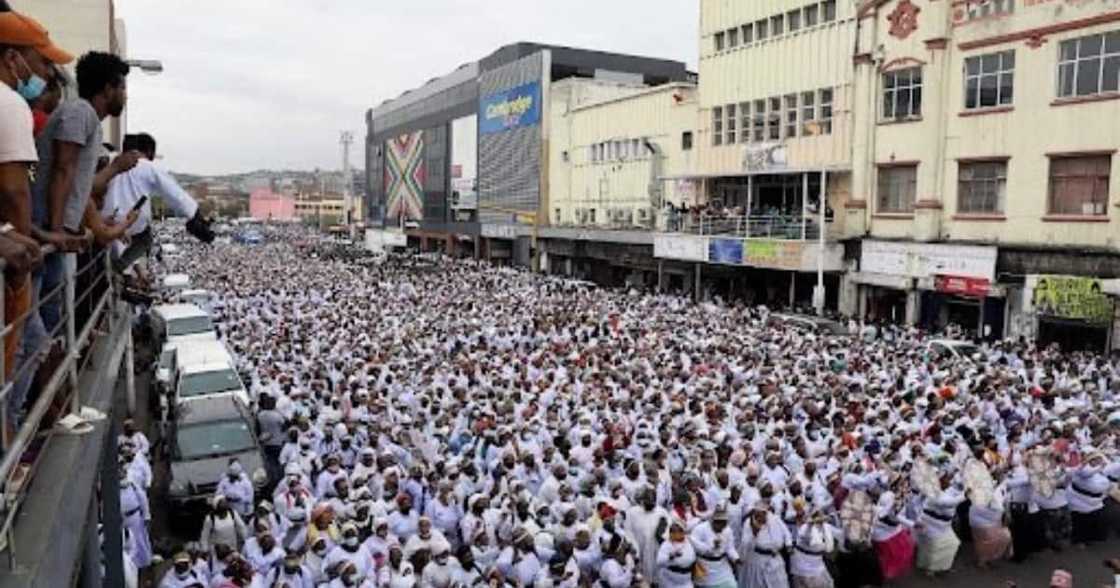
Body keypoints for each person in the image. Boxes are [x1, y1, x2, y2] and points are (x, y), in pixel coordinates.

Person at [99, 131, 212, 273]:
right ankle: (118, 267)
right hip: (129, 225)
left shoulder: (109, 160)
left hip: (102, 220)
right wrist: (194, 215)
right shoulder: (147, 166)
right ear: (150, 152)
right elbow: (174, 194)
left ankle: (118, 267)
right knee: (145, 238)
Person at [657, 519, 697, 587]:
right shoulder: (666, 544)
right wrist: (670, 557)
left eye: (679, 530)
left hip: (686, 582)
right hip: (670, 582)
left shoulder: (689, 541)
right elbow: (659, 561)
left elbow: (701, 549)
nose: (676, 533)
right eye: (673, 531)